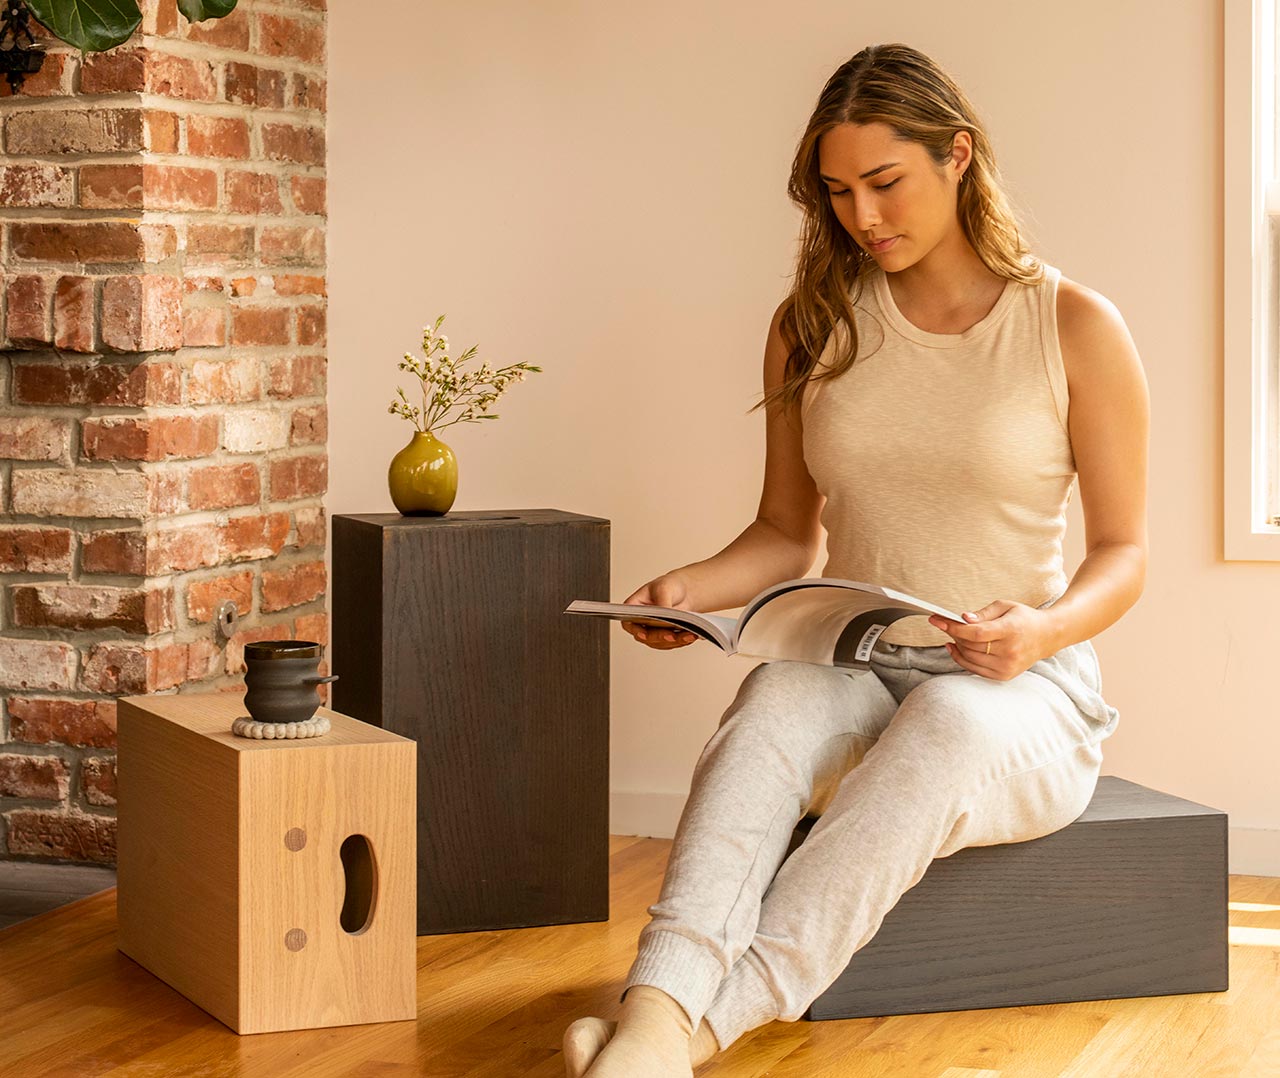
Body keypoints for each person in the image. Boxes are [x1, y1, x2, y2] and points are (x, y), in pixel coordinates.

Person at [562, 41, 1149, 1078]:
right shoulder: (811, 328)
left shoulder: (1070, 326)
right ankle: (657, 1005)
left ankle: (681, 1033)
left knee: (947, 717)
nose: (862, 217)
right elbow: (787, 533)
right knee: (768, 703)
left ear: (957, 156)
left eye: (885, 183)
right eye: (836, 193)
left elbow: (1123, 553)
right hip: (857, 663)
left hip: (1019, 690)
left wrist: (1038, 630)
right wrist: (687, 590)